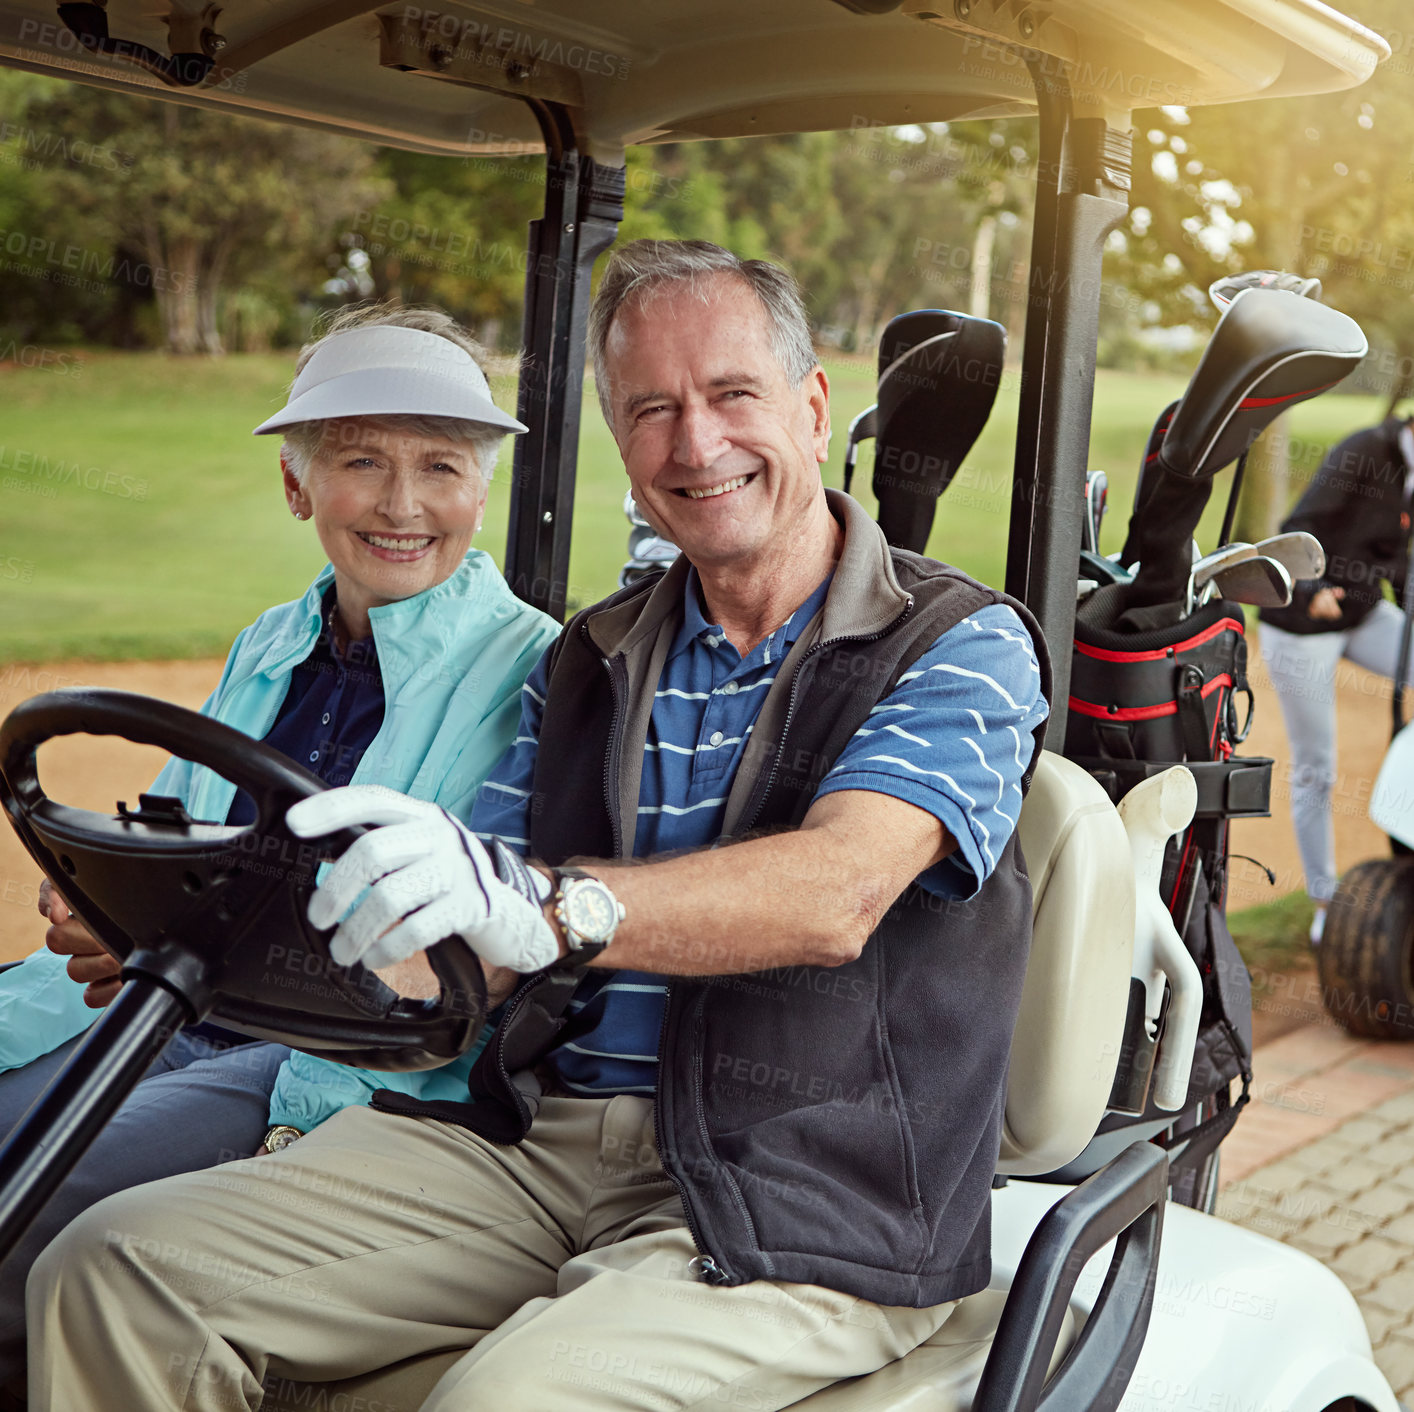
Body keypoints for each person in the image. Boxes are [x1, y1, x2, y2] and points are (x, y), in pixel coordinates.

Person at [29, 240, 1051, 1412]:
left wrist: (555, 906)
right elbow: (462, 944)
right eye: (652, 409)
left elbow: (838, 892)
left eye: (730, 395)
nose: (695, 443)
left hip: (801, 1185)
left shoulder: (956, 642)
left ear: (811, 407)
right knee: (111, 1271)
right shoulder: (589, 658)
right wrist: (239, 931)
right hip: (529, 1140)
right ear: (623, 442)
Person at [0, 304, 558, 1402]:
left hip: (316, 1062)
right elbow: (173, 830)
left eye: (440, 465)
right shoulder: (275, 639)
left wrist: (175, 935)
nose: (403, 503)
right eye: (360, 460)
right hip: (168, 1007)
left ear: (481, 489)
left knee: (29, 1198)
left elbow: (452, 955)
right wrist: (109, 910)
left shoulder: (536, 668)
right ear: (298, 484)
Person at [1258, 412, 1414, 943]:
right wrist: (1307, 592)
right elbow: (1291, 534)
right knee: (1316, 766)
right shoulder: (1367, 452)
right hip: (1302, 626)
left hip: (1363, 616)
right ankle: (1325, 904)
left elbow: (1397, 565)